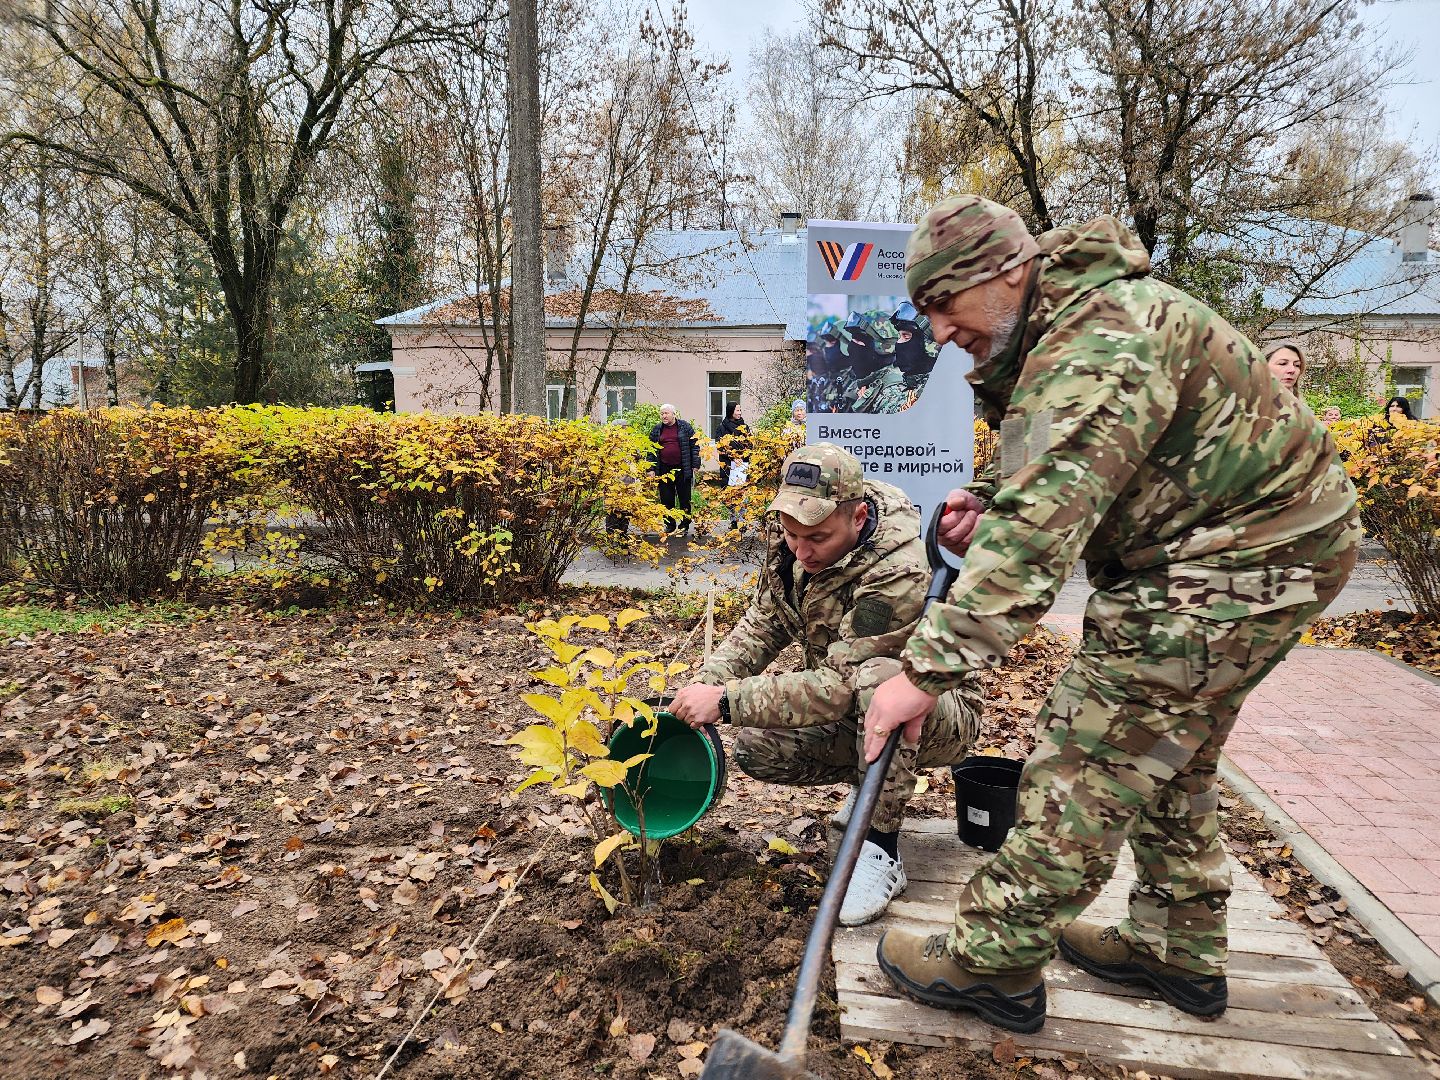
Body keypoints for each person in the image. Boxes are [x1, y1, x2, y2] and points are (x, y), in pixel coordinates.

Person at [862, 195, 1359, 1034]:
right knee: (1170, 751)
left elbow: (1030, 551)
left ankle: (993, 960)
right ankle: (1175, 946)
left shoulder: (1098, 339)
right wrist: (992, 496)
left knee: (1091, 748)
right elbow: (1082, 456)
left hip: (1239, 560)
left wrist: (920, 675)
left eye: (943, 306)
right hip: (1254, 549)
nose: (939, 335)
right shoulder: (1074, 320)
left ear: (1006, 273)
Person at [668, 444, 982, 926]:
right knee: (757, 747)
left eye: (816, 537)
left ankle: (880, 847)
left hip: (938, 710)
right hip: (856, 703)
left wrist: (728, 702)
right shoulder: (794, 541)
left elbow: (844, 683)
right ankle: (869, 781)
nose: (802, 550)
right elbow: (765, 621)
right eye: (792, 535)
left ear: (858, 517)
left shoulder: (898, 571)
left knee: (880, 681)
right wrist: (703, 688)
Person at [649, 404, 700, 537]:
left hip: (683, 468)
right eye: (662, 414)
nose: (664, 416)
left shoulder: (685, 427)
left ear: (674, 414)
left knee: (685, 499)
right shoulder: (657, 430)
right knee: (666, 500)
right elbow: (651, 450)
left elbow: (695, 446)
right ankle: (670, 525)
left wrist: (695, 464)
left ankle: (684, 526)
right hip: (664, 469)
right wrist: (651, 468)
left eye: (666, 413)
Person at [717, 402, 749, 486]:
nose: (740, 413)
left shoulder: (744, 427)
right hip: (728, 465)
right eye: (737, 410)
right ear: (731, 411)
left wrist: (742, 457)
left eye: (740, 410)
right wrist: (733, 458)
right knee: (727, 492)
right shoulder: (722, 427)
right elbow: (720, 448)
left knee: (743, 491)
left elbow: (750, 444)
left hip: (742, 464)